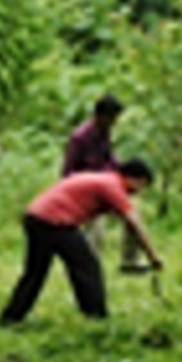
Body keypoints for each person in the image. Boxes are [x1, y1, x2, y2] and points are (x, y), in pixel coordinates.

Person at [0, 159, 167, 325]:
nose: (139, 191)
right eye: (141, 185)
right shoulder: (113, 186)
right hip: (55, 222)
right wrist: (153, 256)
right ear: (133, 178)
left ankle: (11, 317)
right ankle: (97, 316)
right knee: (87, 267)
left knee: (35, 272)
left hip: (35, 217)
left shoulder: (104, 180)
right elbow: (134, 224)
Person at [63, 94, 149, 274]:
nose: (114, 122)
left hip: (108, 188)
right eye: (112, 118)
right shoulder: (79, 137)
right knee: (96, 231)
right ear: (100, 115)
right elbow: (68, 172)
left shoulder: (104, 133)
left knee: (134, 216)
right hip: (87, 193)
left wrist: (124, 173)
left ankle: (130, 261)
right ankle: (91, 268)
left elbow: (110, 159)